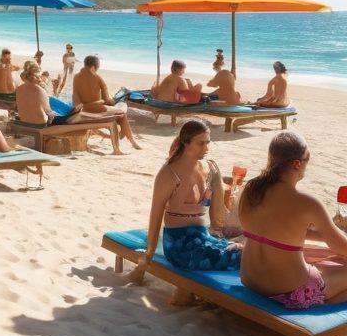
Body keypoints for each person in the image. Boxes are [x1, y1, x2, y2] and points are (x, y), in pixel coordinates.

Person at [237, 132, 347, 309]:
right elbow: (342, 246)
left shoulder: (251, 189)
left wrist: (321, 239)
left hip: (250, 279)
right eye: (308, 159)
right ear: (297, 163)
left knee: (326, 260)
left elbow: (277, 231)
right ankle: (318, 307)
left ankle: (320, 303)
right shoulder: (307, 202)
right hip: (290, 291)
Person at [131, 118, 241, 282]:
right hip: (179, 246)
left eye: (208, 143)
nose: (206, 148)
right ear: (186, 142)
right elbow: (155, 217)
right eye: (200, 143)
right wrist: (148, 255)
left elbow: (217, 212)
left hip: (203, 237)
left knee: (247, 251)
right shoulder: (169, 174)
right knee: (243, 257)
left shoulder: (208, 168)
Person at [73, 55, 141, 150]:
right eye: (97, 67)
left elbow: (75, 95)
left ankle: (123, 136)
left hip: (84, 110)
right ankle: (132, 141)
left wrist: (77, 108)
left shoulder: (76, 77)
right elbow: (107, 100)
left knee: (118, 113)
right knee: (122, 114)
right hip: (97, 110)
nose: (97, 69)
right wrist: (113, 101)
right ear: (93, 67)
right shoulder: (98, 78)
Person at [16, 61, 72, 127]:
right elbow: (49, 114)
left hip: (24, 122)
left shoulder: (18, 89)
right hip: (40, 124)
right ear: (32, 76)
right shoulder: (40, 91)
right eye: (38, 76)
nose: (40, 79)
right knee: (66, 119)